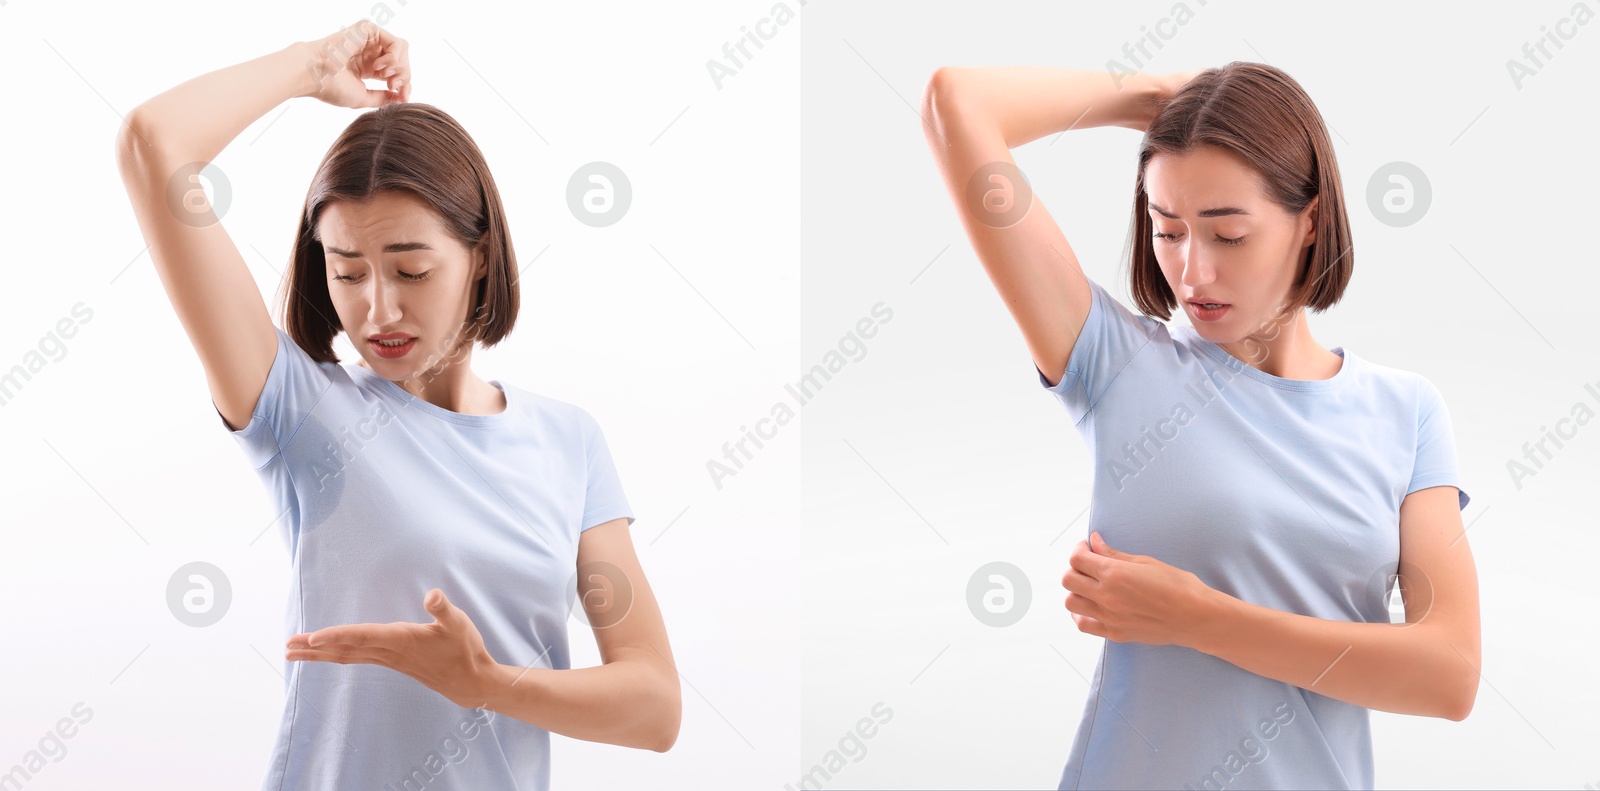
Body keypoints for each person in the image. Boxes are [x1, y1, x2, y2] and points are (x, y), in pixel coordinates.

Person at [114, 19, 679, 790]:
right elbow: (154, 142)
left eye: (411, 271)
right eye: (347, 273)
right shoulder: (301, 413)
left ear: (479, 258)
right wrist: (311, 67)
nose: (377, 311)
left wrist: (489, 682)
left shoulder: (568, 441)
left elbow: (653, 704)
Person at [921, 62, 1480, 789]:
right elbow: (956, 103)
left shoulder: (1406, 412)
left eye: (1228, 235)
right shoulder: (1115, 364)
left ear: (1309, 220)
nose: (1192, 274)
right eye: (1167, 230)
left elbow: (1449, 674)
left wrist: (1198, 617)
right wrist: (1151, 99)